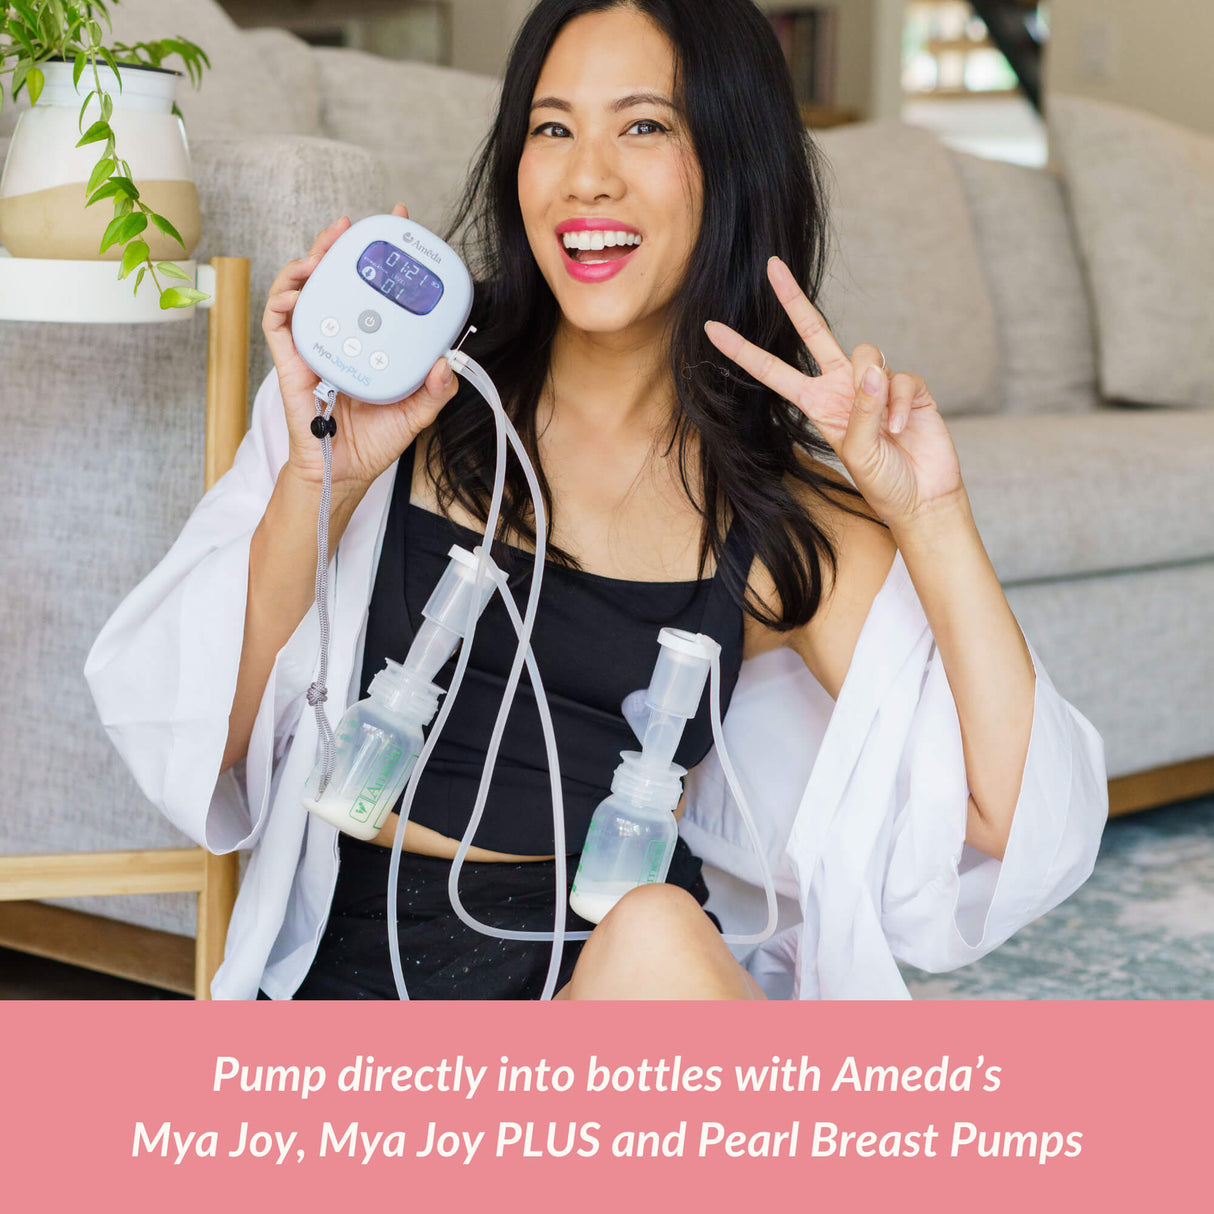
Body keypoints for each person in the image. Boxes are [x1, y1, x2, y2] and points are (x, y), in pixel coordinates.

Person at [85, 0, 1107, 1001]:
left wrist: (931, 517)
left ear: (731, 160)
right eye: (551, 128)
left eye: (645, 126)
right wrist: (324, 479)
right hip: (351, 976)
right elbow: (192, 747)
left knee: (656, 931)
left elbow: (1012, 829)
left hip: (610, 986)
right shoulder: (394, 388)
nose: (586, 177)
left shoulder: (777, 521)